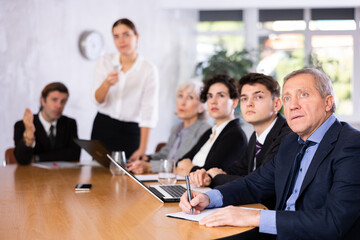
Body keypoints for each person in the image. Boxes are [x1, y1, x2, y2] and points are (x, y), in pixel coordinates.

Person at [179, 68, 360, 239]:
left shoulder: (351, 145)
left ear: (328, 102)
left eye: (303, 95)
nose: (293, 105)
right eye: (287, 98)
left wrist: (254, 217)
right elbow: (253, 184)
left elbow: (334, 223)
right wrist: (206, 198)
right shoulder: (291, 142)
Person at [189, 73, 291, 194]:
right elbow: (237, 170)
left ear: (277, 104)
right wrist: (208, 175)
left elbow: (261, 182)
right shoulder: (256, 136)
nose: (249, 103)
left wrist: (217, 177)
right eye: (244, 98)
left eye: (258, 97)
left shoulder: (286, 136)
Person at [91, 18, 159, 161]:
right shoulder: (105, 61)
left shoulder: (148, 69)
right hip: (103, 126)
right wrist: (106, 84)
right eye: (116, 36)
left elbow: (149, 110)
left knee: (127, 177)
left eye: (126, 34)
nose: (121, 40)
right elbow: (97, 100)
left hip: (130, 131)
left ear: (136, 36)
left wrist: (143, 148)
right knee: (97, 175)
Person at [127, 81, 211, 174]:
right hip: (167, 176)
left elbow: (181, 163)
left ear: (202, 107)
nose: (182, 102)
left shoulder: (204, 130)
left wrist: (150, 166)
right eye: (180, 96)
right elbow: (166, 154)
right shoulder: (176, 128)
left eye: (190, 97)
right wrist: (147, 158)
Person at [176, 74, 247, 176]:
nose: (213, 101)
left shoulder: (235, 135)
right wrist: (188, 169)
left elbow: (209, 175)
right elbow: (181, 162)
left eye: (221, 95)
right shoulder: (210, 132)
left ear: (234, 102)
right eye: (210, 96)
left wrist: (189, 168)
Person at [14, 82, 81, 165]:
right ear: (43, 101)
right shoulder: (22, 125)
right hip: (33, 176)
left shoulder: (69, 123)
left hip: (61, 175)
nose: (59, 105)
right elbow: (22, 160)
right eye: (54, 100)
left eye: (63, 101)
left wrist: (36, 158)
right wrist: (29, 136)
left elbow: (74, 155)